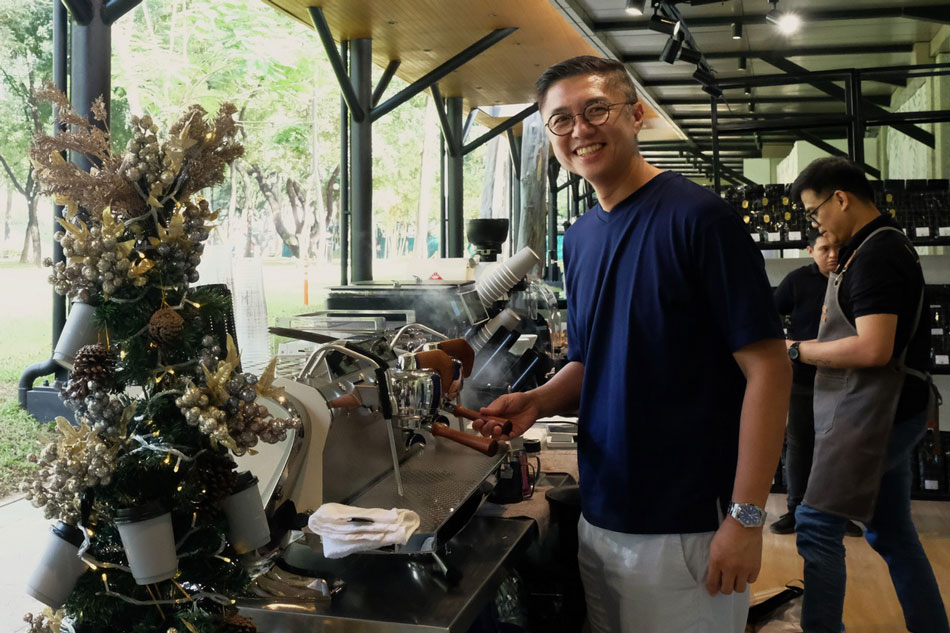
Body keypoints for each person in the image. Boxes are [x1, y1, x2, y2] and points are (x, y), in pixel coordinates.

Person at [474, 56, 792, 633]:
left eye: (596, 109)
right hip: (602, 515)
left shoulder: (701, 219)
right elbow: (592, 359)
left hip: (687, 524)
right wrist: (539, 401)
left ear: (636, 114)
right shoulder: (582, 238)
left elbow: (769, 370)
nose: (579, 130)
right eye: (560, 120)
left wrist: (746, 520)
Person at [786, 156, 949, 633]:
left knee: (815, 526)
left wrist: (795, 351)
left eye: (815, 212)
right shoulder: (873, 247)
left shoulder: (878, 255)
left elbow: (874, 348)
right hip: (890, 408)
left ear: (842, 198)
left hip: (879, 411)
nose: (814, 223)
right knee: (892, 532)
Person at [771, 230, 863, 537]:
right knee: (799, 445)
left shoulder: (855, 280)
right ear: (811, 250)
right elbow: (769, 314)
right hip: (801, 380)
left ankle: (837, 513)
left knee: (840, 448)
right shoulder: (796, 281)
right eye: (825, 248)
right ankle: (795, 510)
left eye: (838, 247)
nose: (833, 254)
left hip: (846, 380)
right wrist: (785, 344)